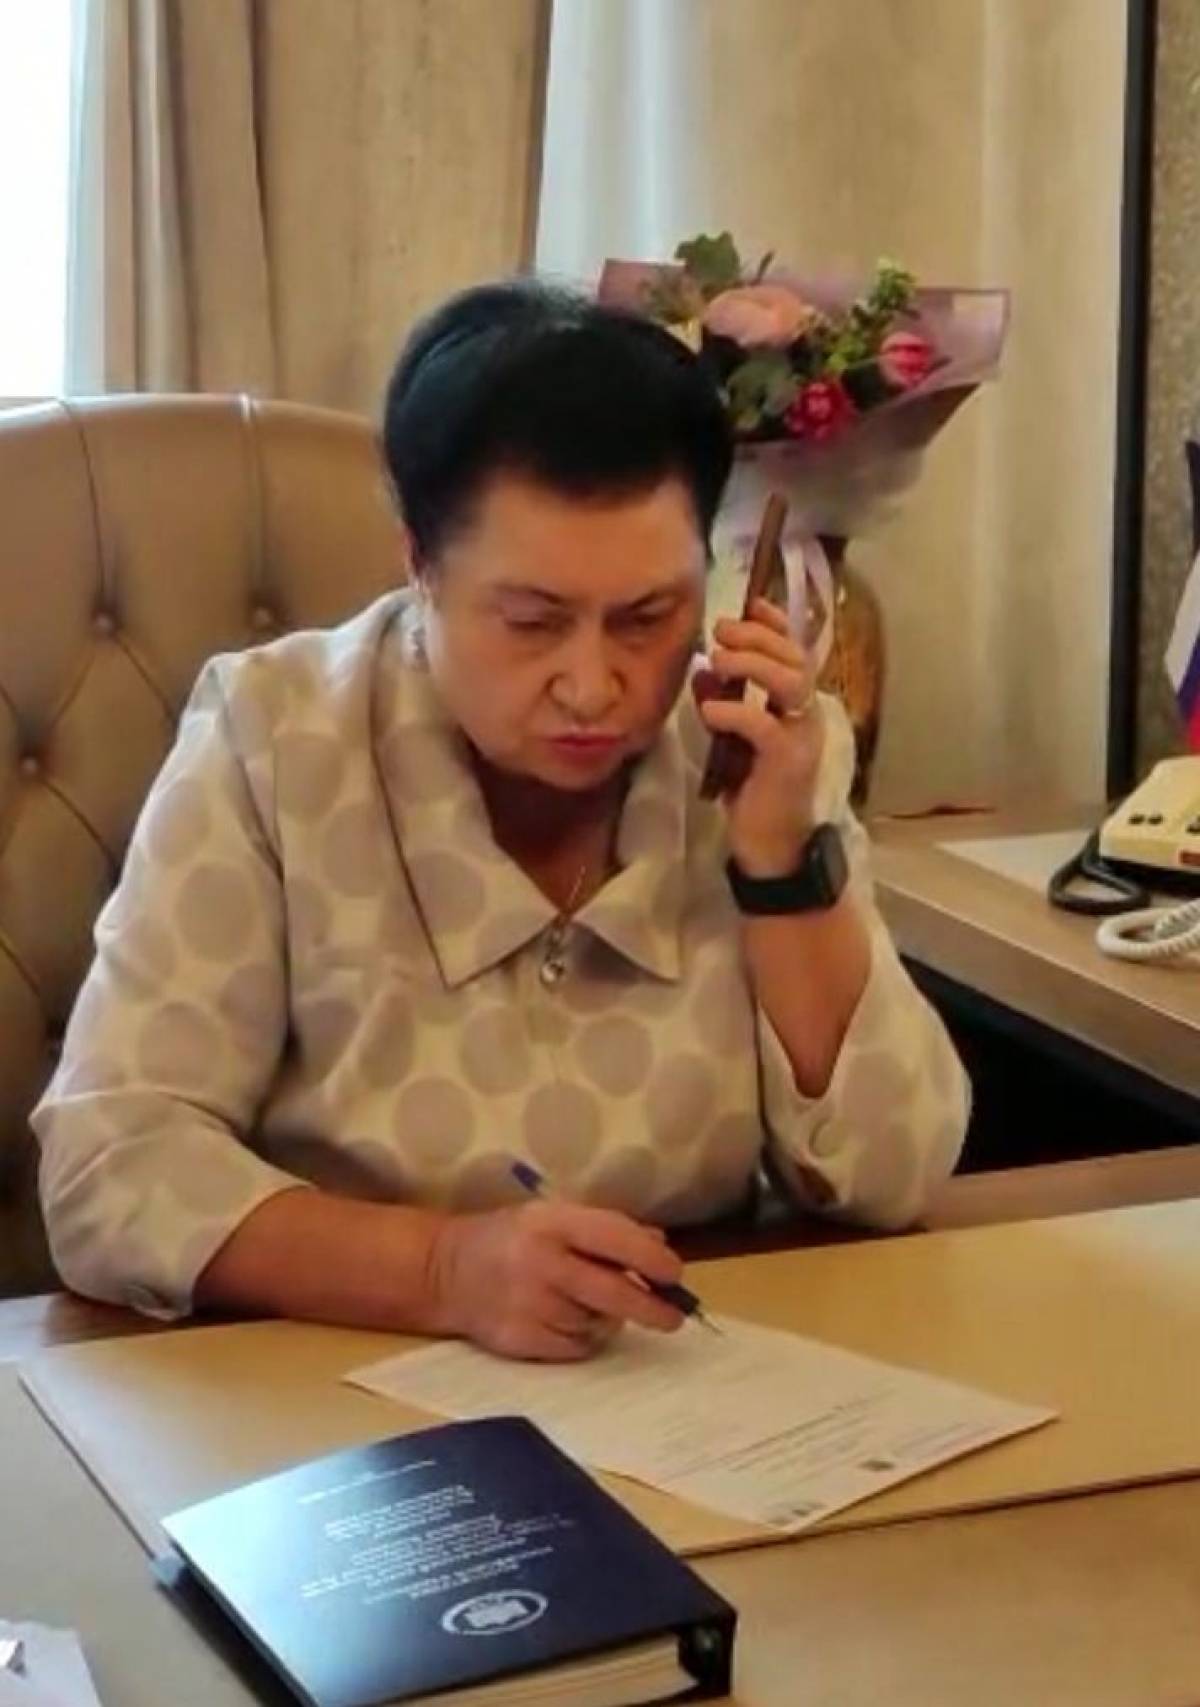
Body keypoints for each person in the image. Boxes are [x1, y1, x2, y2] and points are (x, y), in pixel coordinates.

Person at [34, 281, 969, 1361]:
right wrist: (441, 1270)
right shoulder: (275, 739)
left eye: (648, 616)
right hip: (336, 1383)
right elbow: (111, 1163)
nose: (592, 685)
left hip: (687, 1378)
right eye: (531, 621)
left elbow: (896, 1176)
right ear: (419, 565)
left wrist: (781, 863)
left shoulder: (755, 743)